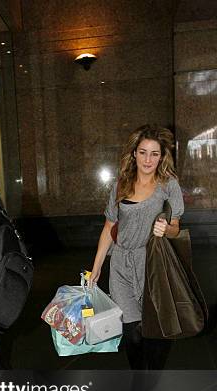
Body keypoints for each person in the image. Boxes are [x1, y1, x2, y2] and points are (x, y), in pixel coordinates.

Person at [90, 124, 184, 369]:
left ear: (162, 156)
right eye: (143, 152)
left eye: (154, 153)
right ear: (134, 153)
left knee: (153, 329)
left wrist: (167, 228)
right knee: (131, 331)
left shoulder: (168, 185)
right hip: (121, 263)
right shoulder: (121, 185)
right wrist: (97, 266)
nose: (148, 159)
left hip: (152, 264)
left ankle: (151, 379)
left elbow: (175, 227)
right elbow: (109, 226)